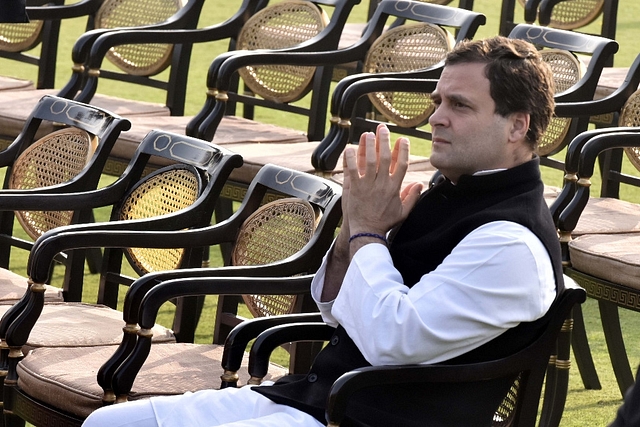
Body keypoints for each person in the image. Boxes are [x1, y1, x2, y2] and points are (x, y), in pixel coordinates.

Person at [82, 35, 563, 427]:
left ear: (517, 125)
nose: (436, 116)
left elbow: (390, 339)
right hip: (314, 401)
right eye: (437, 100)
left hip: (363, 418)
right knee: (104, 425)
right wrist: (351, 227)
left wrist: (370, 234)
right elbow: (337, 310)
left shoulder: (509, 241)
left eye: (459, 105)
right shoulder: (449, 194)